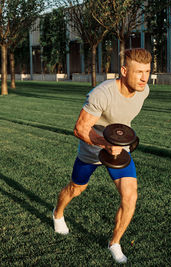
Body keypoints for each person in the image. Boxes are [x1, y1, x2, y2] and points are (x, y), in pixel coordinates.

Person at [52, 48, 152, 264]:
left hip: (118, 149)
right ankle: (57, 213)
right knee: (76, 189)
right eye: (139, 72)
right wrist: (106, 144)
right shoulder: (102, 93)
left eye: (147, 71)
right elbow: (80, 128)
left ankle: (114, 242)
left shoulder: (144, 91)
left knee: (130, 196)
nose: (144, 78)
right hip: (92, 147)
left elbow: (123, 121)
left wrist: (121, 142)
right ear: (124, 71)